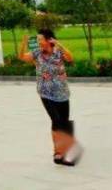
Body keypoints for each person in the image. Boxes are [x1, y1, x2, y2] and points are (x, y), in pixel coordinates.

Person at [19, 29, 82, 166]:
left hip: (62, 92)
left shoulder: (58, 52)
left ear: (49, 40)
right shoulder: (37, 53)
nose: (38, 42)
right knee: (56, 120)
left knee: (63, 122)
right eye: (37, 39)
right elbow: (22, 57)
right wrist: (23, 43)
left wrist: (58, 43)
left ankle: (65, 152)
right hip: (45, 92)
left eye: (40, 39)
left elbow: (70, 58)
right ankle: (58, 153)